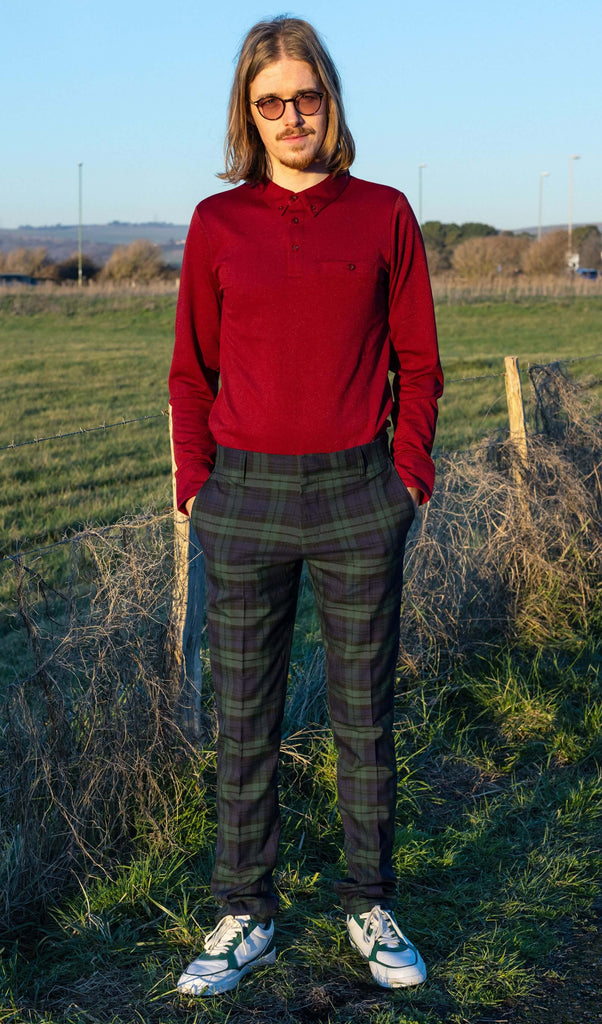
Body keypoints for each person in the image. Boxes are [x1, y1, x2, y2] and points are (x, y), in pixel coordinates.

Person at [168, 15, 443, 998]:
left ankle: (368, 903)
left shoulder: (384, 215)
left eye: (306, 97)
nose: (291, 117)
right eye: (270, 102)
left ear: (330, 100)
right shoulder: (217, 225)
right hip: (240, 499)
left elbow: (417, 359)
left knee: (363, 718)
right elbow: (188, 372)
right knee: (243, 720)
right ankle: (245, 912)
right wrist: (198, 484)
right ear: (248, 114)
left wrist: (404, 476)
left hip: (356, 495)